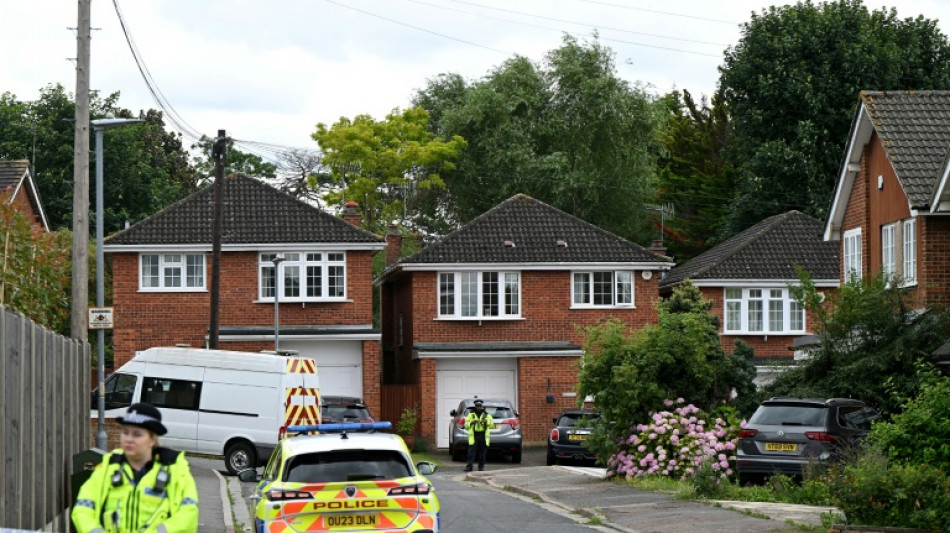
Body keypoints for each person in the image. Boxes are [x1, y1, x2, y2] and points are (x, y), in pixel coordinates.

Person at [72, 402, 199, 533]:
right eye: (125, 432)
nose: (129, 439)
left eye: (137, 434)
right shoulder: (109, 467)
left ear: (152, 439)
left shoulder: (174, 469)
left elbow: (188, 515)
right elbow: (83, 508)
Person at [464, 399, 494, 472]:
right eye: (477, 406)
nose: (478, 407)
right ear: (475, 406)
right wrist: (471, 422)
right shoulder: (471, 415)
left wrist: (486, 422)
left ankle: (481, 467)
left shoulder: (487, 415)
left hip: (483, 435)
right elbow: (466, 425)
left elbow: (492, 425)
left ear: (482, 406)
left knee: (482, 453)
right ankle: (469, 467)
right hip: (474, 435)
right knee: (471, 452)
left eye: (480, 406)